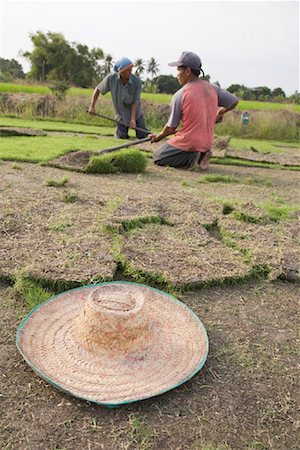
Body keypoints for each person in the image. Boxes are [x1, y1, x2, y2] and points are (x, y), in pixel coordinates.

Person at [150, 51, 239, 170]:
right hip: (207, 143)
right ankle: (202, 155)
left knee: (158, 157)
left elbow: (171, 128)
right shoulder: (213, 88)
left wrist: (158, 137)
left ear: (188, 71)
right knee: (182, 146)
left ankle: (192, 159)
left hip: (189, 141)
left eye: (179, 70)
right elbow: (234, 101)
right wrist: (221, 112)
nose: (177, 74)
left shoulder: (180, 94)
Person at [88, 57, 148, 139]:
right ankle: (119, 133)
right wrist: (92, 107)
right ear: (120, 72)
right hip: (121, 114)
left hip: (136, 113)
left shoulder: (136, 82)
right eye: (127, 71)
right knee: (122, 136)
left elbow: (135, 102)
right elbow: (98, 90)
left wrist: (133, 119)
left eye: (130, 70)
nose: (129, 73)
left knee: (142, 136)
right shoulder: (111, 79)